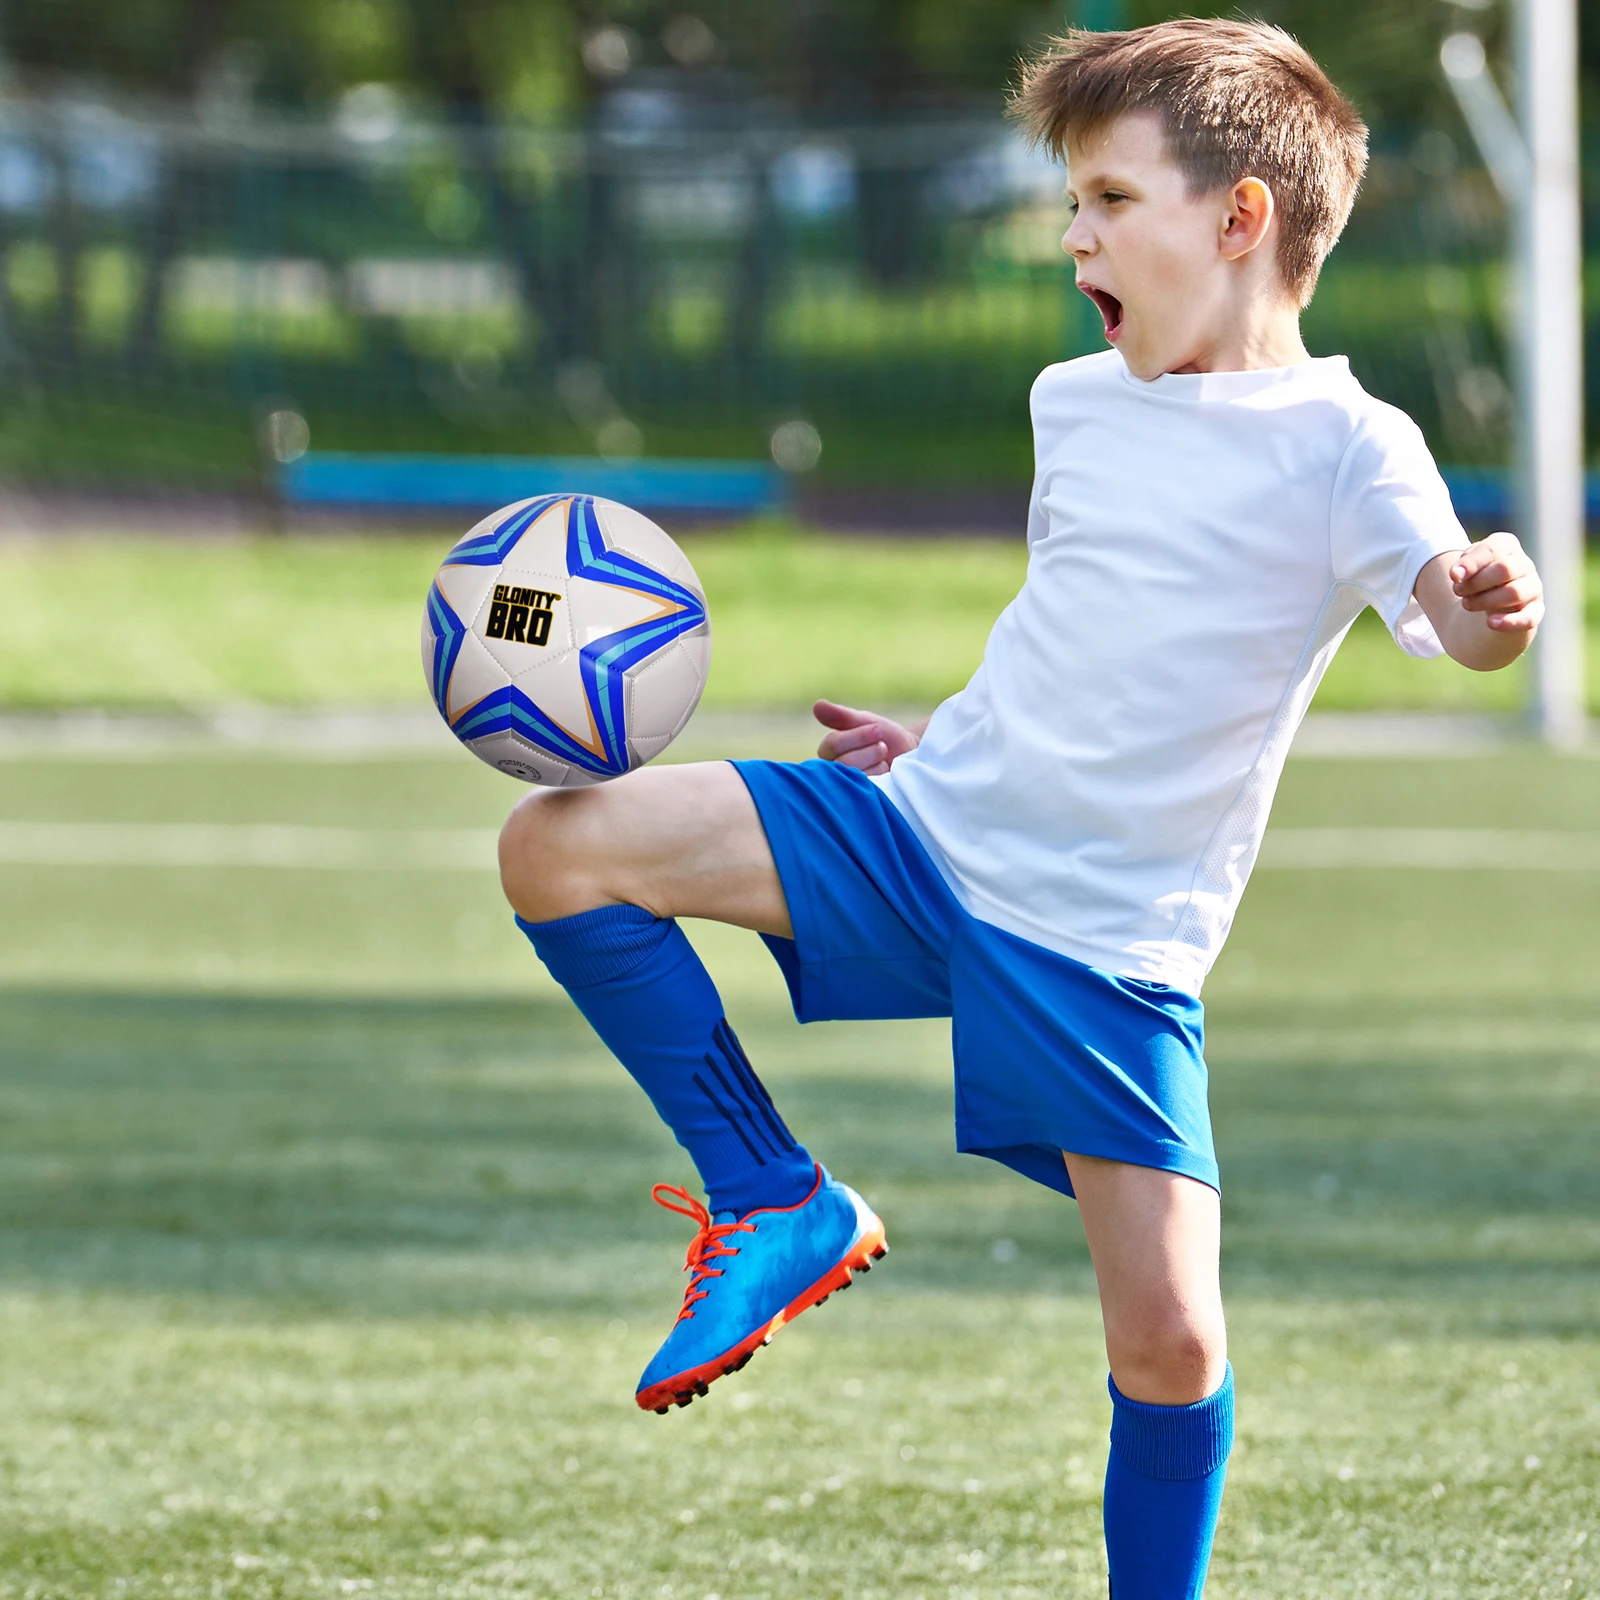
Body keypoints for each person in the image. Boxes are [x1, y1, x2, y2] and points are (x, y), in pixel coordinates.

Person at [498, 19, 1544, 1596]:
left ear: (1241, 218)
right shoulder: (1078, 399)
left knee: (1170, 1341)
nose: (1074, 238)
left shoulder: (1350, 448)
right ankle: (771, 1196)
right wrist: (941, 738)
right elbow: (1085, 629)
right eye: (1073, 202)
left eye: (1110, 200)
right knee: (558, 846)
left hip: (1106, 944)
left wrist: (1495, 597)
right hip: (927, 833)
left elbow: (1455, 621)